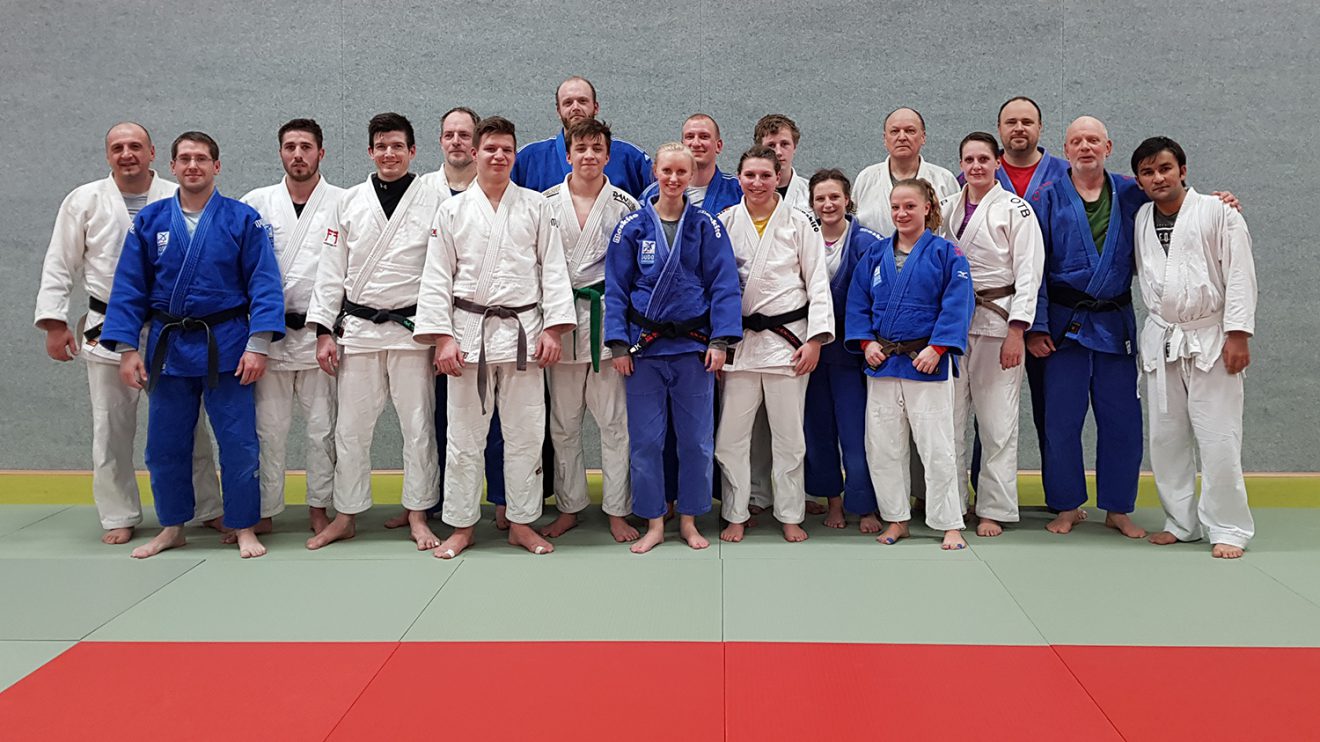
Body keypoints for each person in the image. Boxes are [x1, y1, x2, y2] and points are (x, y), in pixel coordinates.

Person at [34, 122, 223, 545]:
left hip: (168, 330)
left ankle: (207, 506)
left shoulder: (179, 195)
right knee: (111, 426)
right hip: (107, 327)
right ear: (108, 155)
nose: (127, 154)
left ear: (153, 152)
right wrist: (54, 322)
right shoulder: (84, 200)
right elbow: (60, 263)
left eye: (135, 146)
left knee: (187, 424)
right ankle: (119, 512)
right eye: (117, 147)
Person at [100, 130, 285, 559]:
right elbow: (130, 287)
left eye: (201, 158)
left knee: (239, 442)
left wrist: (258, 345)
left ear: (216, 167)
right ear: (172, 166)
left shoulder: (242, 218)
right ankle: (171, 526)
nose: (193, 166)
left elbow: (264, 283)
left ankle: (243, 526)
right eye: (184, 158)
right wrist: (128, 350)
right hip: (168, 348)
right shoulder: (149, 220)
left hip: (228, 345)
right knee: (165, 444)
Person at [417, 116, 577, 559]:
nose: (499, 156)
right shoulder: (450, 211)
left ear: (514, 153)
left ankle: (522, 523)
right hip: (469, 335)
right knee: (464, 437)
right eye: (491, 148)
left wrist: (553, 327)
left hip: (525, 333)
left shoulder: (535, 207)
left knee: (526, 433)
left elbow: (554, 271)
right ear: (475, 152)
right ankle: (462, 525)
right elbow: (435, 279)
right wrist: (442, 339)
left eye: (507, 149)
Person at [305, 112, 443, 551]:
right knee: (350, 428)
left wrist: (441, 333)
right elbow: (330, 273)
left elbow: (444, 273)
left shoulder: (435, 199)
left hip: (411, 330)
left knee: (419, 426)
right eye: (381, 146)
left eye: (398, 146)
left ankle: (419, 514)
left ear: (412, 151)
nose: (389, 153)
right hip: (360, 331)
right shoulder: (346, 203)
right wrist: (324, 330)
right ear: (370, 151)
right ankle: (346, 514)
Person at [605, 142, 742, 554]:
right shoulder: (631, 228)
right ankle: (653, 522)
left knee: (696, 440)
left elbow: (724, 286)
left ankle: (689, 518)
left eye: (682, 172)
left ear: (691, 176)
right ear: (656, 174)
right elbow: (616, 289)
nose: (674, 178)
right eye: (667, 171)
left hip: (693, 348)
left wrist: (721, 340)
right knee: (646, 440)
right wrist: (617, 344)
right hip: (644, 350)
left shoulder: (706, 226)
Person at [385, 106, 510, 533]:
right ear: (439, 141)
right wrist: (436, 330)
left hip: (484, 322)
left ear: (474, 145)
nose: (457, 141)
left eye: (464, 135)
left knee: (491, 419)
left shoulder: (499, 188)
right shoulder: (417, 192)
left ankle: (500, 499)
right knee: (431, 418)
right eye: (449, 134)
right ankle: (427, 498)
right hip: (431, 320)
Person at [1131, 137, 1256, 558]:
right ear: (1139, 181)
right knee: (1166, 439)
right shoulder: (1142, 217)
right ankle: (1181, 522)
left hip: (1211, 338)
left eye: (1165, 168)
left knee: (1219, 436)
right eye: (1147, 172)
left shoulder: (1220, 212)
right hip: (1162, 339)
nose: (1157, 178)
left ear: (1183, 170)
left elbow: (1239, 274)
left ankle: (1229, 527)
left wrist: (1238, 333)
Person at [1027, 116, 1148, 538]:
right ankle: (1065, 505)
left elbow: (1178, 203)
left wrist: (1220, 200)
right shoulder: (1047, 197)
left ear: (1108, 146)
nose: (1085, 147)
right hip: (1064, 327)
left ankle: (1118, 507)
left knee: (1123, 420)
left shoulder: (1133, 192)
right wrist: (1035, 326)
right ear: (1066, 148)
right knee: (1061, 420)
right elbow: (1034, 268)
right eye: (1076, 140)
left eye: (1093, 140)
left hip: (1115, 325)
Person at [845, 178, 973, 550]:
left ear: (928, 208)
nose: (901, 213)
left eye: (910, 207)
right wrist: (866, 341)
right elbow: (857, 302)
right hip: (883, 362)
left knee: (938, 446)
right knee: (883, 446)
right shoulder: (875, 254)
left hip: (926, 362)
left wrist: (939, 348)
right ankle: (896, 518)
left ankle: (950, 522)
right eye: (896, 207)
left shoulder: (947, 253)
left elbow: (958, 303)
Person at [715, 146, 834, 543]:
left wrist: (816, 340)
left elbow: (818, 282)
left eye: (765, 175)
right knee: (731, 437)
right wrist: (715, 341)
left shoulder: (801, 222)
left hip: (788, 344)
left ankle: (789, 513)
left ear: (778, 177)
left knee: (789, 437)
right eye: (750, 175)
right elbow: (713, 287)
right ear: (740, 178)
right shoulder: (725, 221)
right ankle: (736, 511)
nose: (757, 183)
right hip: (740, 344)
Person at [240, 118, 343, 535]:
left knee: (323, 429)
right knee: (269, 431)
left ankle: (320, 506)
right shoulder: (256, 203)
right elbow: (241, 269)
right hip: (270, 335)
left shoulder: (343, 201)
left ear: (322, 152)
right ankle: (266, 509)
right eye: (289, 147)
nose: (297, 154)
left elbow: (345, 272)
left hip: (320, 335)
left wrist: (332, 329)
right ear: (280, 152)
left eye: (306, 147)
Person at [939, 132, 1044, 537]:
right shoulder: (946, 208)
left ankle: (993, 509)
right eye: (969, 159)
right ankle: (950, 506)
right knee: (947, 421)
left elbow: (1029, 275)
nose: (977, 166)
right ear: (960, 164)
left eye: (984, 158)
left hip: (1000, 323)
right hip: (952, 325)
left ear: (998, 161)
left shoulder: (1017, 210)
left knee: (998, 421)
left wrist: (1018, 330)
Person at [540, 118, 639, 542]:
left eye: (597, 149)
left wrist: (627, 336)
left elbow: (637, 276)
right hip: (559, 324)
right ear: (568, 154)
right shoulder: (543, 204)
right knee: (563, 423)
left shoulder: (626, 205)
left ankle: (618, 509)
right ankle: (570, 506)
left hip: (607, 327)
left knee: (614, 422)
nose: (588, 156)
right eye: (580, 148)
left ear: (607, 155)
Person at [804, 169, 882, 532]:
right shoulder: (803, 237)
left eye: (834, 197)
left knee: (856, 433)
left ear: (848, 199)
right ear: (812, 204)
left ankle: (864, 505)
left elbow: (879, 297)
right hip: (813, 351)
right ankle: (832, 502)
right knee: (818, 431)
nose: (828, 204)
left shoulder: (869, 241)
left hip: (852, 354)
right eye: (820, 198)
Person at [511, 75, 654, 197]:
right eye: (568, 103)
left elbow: (654, 204)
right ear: (558, 111)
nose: (575, 108)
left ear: (596, 107)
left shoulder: (631, 157)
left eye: (582, 101)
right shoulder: (528, 158)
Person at [853, 107, 961, 235]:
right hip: (873, 254)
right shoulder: (866, 179)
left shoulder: (944, 180)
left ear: (923, 137)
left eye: (910, 131)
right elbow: (853, 228)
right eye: (894, 131)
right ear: (885, 139)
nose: (902, 137)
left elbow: (955, 230)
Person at [638, 113, 742, 215]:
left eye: (704, 136)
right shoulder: (653, 194)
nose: (696, 143)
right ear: (682, 145)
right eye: (690, 137)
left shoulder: (738, 190)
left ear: (718, 146)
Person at [754, 114, 810, 210]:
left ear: (794, 147)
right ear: (760, 150)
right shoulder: (749, 192)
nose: (778, 152)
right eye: (771, 145)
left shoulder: (811, 193)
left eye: (784, 144)